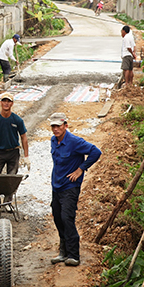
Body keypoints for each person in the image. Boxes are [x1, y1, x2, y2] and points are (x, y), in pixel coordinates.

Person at [48, 113, 101, 267]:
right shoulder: (53, 140)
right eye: (53, 126)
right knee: (57, 217)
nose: (56, 129)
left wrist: (80, 170)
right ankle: (63, 252)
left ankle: (74, 255)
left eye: (59, 126)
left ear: (66, 125)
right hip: (56, 186)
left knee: (67, 217)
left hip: (70, 187)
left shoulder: (74, 142)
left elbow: (95, 152)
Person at [0, 92, 30, 175]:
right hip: (0, 152)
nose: (6, 103)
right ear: (1, 103)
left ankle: (10, 188)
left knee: (11, 179)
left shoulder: (17, 120)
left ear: (12, 103)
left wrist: (26, 156)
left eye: (9, 101)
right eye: (4, 101)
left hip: (13, 152)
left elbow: (24, 137)